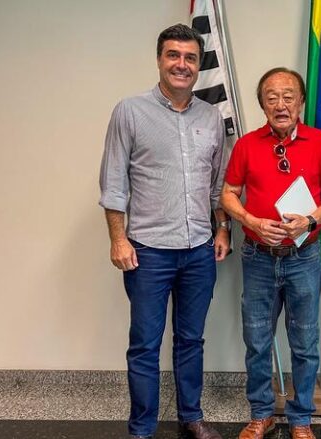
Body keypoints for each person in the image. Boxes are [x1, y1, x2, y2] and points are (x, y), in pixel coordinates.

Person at [98, 23, 230, 439]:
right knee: (145, 344)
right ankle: (142, 429)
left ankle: (191, 417)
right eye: (174, 55)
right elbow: (113, 183)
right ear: (159, 59)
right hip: (148, 252)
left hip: (199, 251)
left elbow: (217, 185)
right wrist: (118, 239)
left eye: (190, 58)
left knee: (191, 340)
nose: (182, 64)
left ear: (199, 65)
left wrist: (222, 229)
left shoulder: (211, 117)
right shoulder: (130, 111)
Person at [220, 67, 321, 439]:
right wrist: (250, 220)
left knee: (304, 342)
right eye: (271, 97)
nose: (280, 104)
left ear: (301, 101)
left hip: (304, 259)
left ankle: (300, 418)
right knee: (257, 340)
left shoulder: (320, 142)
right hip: (258, 257)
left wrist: (310, 220)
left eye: (288, 96)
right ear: (262, 104)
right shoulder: (246, 145)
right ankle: (262, 414)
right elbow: (228, 194)